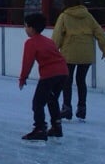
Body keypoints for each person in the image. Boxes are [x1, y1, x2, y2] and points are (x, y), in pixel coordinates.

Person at [51, 0, 105, 121]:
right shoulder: (88, 16)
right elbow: (100, 33)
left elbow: (57, 36)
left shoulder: (64, 17)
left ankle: (67, 108)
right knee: (81, 80)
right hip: (86, 53)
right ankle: (82, 108)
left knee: (67, 81)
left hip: (69, 53)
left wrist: (52, 52)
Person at [18, 12, 68, 141]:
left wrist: (23, 78)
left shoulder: (31, 42)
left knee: (38, 103)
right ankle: (57, 127)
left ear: (31, 28)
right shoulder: (48, 41)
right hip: (63, 73)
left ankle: (40, 128)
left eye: (25, 26)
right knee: (52, 100)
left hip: (49, 75)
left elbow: (27, 62)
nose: (25, 29)